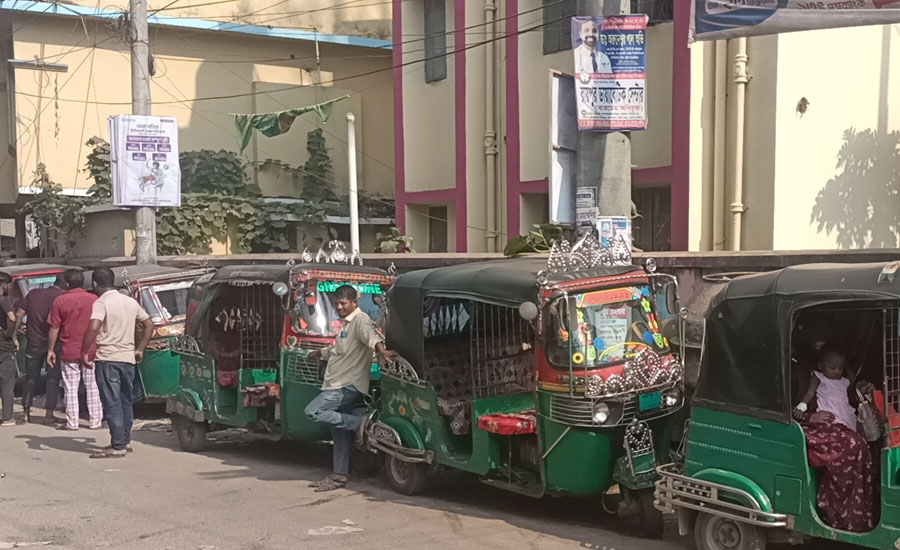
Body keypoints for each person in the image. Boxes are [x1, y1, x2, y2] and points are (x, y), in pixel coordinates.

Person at [305, 285, 393, 492]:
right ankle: (339, 475)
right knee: (340, 435)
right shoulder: (345, 325)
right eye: (337, 303)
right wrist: (317, 354)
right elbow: (338, 351)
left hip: (345, 385)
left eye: (343, 303)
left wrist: (382, 351)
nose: (339, 307)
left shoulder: (360, 320)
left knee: (313, 412)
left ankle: (362, 424)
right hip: (337, 382)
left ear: (355, 302)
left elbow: (372, 338)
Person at [794, 345, 876, 532]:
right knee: (854, 446)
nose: (837, 371)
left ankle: (861, 511)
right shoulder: (816, 378)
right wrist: (803, 412)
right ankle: (837, 512)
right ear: (821, 365)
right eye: (833, 368)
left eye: (840, 368)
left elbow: (846, 397)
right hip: (826, 421)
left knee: (870, 445)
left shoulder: (844, 381)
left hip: (845, 420)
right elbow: (806, 398)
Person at [81, 267, 154, 458]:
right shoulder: (129, 301)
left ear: (94, 284)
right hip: (128, 358)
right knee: (125, 401)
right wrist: (140, 348)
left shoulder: (101, 302)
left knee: (111, 402)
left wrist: (84, 351)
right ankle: (124, 440)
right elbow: (148, 324)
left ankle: (118, 445)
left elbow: (94, 326)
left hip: (107, 359)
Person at [47, 269, 103, 431]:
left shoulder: (60, 301)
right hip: (92, 349)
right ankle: (96, 421)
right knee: (92, 385)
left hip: (69, 349)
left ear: (66, 284)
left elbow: (54, 327)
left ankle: (72, 423)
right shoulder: (94, 299)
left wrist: (50, 349)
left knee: (70, 387)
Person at [16, 275, 66, 424]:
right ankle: (49, 414)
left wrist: (15, 332)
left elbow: (19, 313)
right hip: (54, 344)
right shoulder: (61, 297)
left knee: (30, 378)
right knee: (52, 379)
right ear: (65, 286)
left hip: (34, 342)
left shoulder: (33, 294)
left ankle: (25, 412)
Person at [0, 272, 19, 427]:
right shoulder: (4, 300)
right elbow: (12, 317)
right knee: (7, 381)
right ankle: (7, 418)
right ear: (5, 285)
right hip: (3, 346)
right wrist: (10, 334)